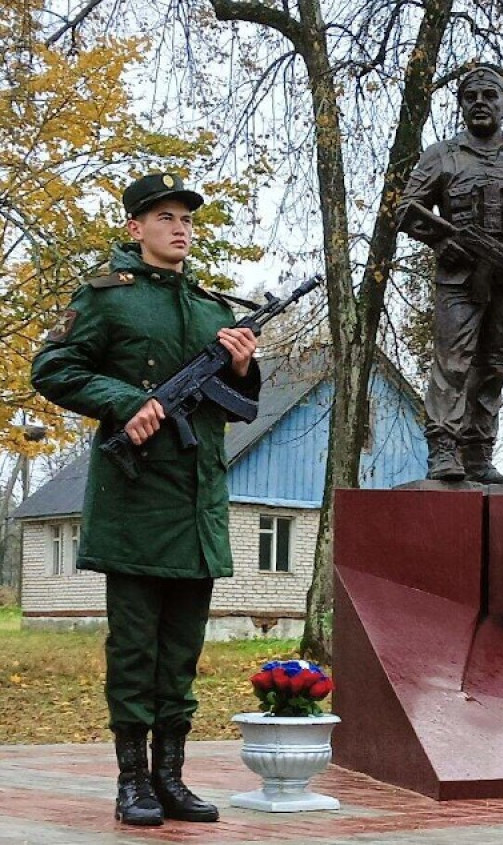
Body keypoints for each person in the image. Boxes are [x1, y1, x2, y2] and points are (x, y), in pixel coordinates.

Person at [31, 173, 260, 826]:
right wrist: (129, 401)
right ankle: (132, 781)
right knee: (135, 651)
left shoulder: (215, 310)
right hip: (134, 505)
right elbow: (52, 368)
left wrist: (242, 364)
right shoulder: (109, 299)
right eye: (164, 217)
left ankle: (171, 778)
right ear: (135, 228)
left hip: (198, 509)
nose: (180, 227)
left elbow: (242, 407)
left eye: (186, 218)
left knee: (182, 654)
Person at [396, 64, 503, 484]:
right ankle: (444, 448)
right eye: (470, 97)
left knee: (494, 365)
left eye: (488, 96)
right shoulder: (441, 155)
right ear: (461, 105)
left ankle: (480, 452)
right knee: (454, 365)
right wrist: (444, 243)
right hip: (460, 278)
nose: (480, 103)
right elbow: (407, 209)